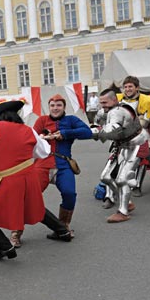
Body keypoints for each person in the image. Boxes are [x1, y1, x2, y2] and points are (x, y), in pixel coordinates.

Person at [0, 99, 72, 260]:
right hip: (29, 178)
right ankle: (63, 230)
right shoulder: (28, 130)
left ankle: (4, 246)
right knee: (32, 205)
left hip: (7, 181)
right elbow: (43, 151)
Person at [33, 94, 92, 242]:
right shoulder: (42, 120)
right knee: (28, 196)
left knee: (69, 194)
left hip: (63, 164)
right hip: (42, 164)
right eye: (52, 105)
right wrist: (39, 137)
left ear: (64, 107)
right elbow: (31, 138)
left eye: (58, 105)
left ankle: (63, 227)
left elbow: (87, 132)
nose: (55, 108)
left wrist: (65, 134)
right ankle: (16, 233)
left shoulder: (71, 120)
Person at [93, 87, 148, 223]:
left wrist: (89, 133)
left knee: (122, 179)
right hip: (121, 145)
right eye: (101, 102)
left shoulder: (118, 112)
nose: (102, 105)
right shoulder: (105, 111)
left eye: (105, 102)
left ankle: (123, 211)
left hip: (136, 144)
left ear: (114, 100)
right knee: (105, 177)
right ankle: (127, 201)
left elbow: (110, 131)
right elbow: (97, 123)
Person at [117, 76, 150, 203]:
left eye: (130, 86)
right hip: (123, 141)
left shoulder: (147, 101)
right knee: (116, 167)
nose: (127, 89)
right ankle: (110, 195)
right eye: (126, 87)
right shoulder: (117, 100)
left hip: (143, 137)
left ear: (137, 87)